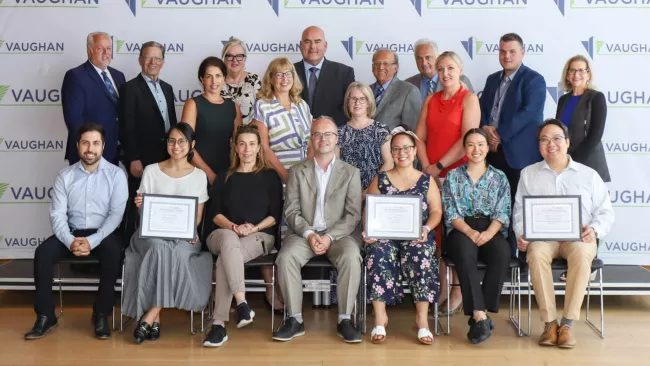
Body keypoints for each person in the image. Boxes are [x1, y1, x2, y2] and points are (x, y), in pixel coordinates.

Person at [514, 119, 614, 349]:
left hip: (579, 238)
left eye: (557, 138)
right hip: (544, 239)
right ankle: (550, 324)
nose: (551, 144)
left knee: (581, 253)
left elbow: (606, 212)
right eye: (544, 139)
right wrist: (522, 233)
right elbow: (519, 211)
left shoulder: (589, 175)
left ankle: (567, 324)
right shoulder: (528, 174)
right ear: (539, 146)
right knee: (536, 252)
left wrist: (594, 229)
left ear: (567, 143)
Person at [24, 123, 128, 340]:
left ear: (104, 146)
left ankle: (101, 314)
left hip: (104, 233)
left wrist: (93, 240)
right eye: (86, 143)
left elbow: (116, 217)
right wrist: (71, 241)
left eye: (96, 143)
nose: (90, 148)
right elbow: (57, 216)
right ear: (78, 145)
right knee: (43, 253)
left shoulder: (117, 175)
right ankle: (45, 316)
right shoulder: (65, 175)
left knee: (113, 253)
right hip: (70, 233)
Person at [273, 118, 363, 343]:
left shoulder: (351, 172)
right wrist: (310, 234)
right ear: (311, 139)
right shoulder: (296, 171)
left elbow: (353, 215)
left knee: (352, 256)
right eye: (317, 134)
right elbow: (292, 211)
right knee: (285, 257)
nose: (323, 139)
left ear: (336, 139)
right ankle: (294, 319)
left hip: (338, 235)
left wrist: (329, 237)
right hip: (304, 234)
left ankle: (344, 319)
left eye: (328, 134)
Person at [122, 122, 213, 344]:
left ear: (192, 144)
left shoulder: (199, 176)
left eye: (182, 141)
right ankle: (155, 315)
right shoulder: (151, 171)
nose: (176, 145)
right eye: (172, 140)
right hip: (150, 234)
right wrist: (142, 205)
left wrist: (190, 230)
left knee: (172, 251)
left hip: (185, 236)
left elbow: (198, 216)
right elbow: (145, 213)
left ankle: (151, 315)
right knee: (159, 247)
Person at [202, 124, 283, 347]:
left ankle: (218, 325)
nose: (247, 149)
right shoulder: (223, 177)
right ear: (235, 148)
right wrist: (234, 227)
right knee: (229, 241)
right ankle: (241, 301)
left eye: (252, 144)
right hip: (222, 232)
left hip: (259, 236)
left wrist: (252, 228)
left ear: (259, 148)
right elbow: (215, 214)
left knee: (226, 258)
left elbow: (275, 215)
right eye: (242, 144)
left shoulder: (270, 177)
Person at [414, 51, 480, 316]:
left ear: (461, 68)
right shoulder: (430, 99)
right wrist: (428, 169)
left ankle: (457, 291)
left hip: (457, 174)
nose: (445, 74)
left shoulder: (470, 99)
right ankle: (440, 289)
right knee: (436, 234)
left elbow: (468, 138)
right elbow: (418, 137)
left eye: (450, 68)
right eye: (440, 69)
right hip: (431, 174)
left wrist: (440, 167)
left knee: (456, 230)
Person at [363, 128, 442, 345]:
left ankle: (422, 320)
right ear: (391, 153)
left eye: (406, 148)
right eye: (396, 149)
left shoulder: (426, 181)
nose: (402, 153)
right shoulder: (380, 179)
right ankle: (380, 318)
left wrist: (426, 228)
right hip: (385, 236)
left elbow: (436, 212)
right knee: (377, 251)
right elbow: (369, 210)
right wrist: (369, 231)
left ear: (415, 151)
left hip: (417, 235)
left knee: (422, 254)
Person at [479, 33, 546, 256]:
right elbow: (482, 111)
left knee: (522, 210)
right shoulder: (491, 79)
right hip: (492, 154)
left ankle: (527, 262)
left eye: (512, 52)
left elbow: (530, 114)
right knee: (497, 208)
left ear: (522, 53)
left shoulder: (534, 80)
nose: (506, 56)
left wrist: (500, 134)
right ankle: (502, 259)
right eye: (502, 51)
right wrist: (486, 128)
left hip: (520, 156)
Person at [442, 128, 512, 344]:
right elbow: (450, 211)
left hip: (491, 227)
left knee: (502, 253)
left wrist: (489, 232)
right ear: (465, 149)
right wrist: (470, 231)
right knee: (464, 254)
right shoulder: (453, 177)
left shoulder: (499, 176)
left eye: (481, 144)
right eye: (471, 144)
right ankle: (480, 315)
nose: (476, 149)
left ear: (488, 147)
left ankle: (480, 314)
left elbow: (503, 211)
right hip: (462, 228)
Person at [119, 41, 178, 239]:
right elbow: (127, 127)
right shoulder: (130, 88)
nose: (153, 62)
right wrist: (133, 158)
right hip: (141, 161)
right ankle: (132, 252)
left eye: (157, 58)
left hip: (167, 159)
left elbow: (172, 124)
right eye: (148, 57)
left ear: (163, 62)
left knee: (163, 207)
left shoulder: (168, 88)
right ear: (140, 60)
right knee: (138, 209)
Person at [61, 32, 126, 165]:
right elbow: (74, 120)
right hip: (89, 154)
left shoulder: (118, 76)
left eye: (108, 48)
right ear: (89, 51)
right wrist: (89, 150)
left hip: (114, 152)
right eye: (100, 48)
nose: (106, 52)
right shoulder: (76, 76)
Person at [181, 56, 243, 185]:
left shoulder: (233, 107)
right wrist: (209, 174)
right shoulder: (193, 104)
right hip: (197, 173)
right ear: (202, 79)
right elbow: (186, 144)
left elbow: (238, 144)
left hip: (226, 173)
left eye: (218, 76)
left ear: (224, 78)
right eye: (209, 76)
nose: (214, 81)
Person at [555, 55, 609, 182]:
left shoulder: (596, 98)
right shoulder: (563, 100)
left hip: (589, 161)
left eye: (581, 70)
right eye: (572, 70)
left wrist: (574, 160)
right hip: (565, 162)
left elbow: (596, 134)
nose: (576, 74)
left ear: (588, 74)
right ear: (567, 75)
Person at [294, 25, 355, 127]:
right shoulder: (288, 72)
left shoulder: (344, 73)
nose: (312, 46)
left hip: (331, 135)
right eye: (307, 42)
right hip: (295, 135)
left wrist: (324, 124)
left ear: (325, 45)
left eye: (317, 41)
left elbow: (349, 108)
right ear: (300, 45)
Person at [337, 82, 392, 193]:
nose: (357, 103)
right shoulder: (339, 132)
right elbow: (336, 166)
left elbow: (389, 162)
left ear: (368, 103)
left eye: (362, 99)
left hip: (376, 190)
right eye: (354, 99)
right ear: (348, 102)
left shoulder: (381, 130)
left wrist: (370, 190)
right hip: (347, 192)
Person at [369, 48, 422, 131]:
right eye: (377, 63)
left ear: (396, 68)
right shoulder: (366, 91)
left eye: (386, 63)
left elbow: (411, 131)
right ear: (372, 67)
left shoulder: (409, 91)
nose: (381, 67)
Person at [405, 39, 474, 101]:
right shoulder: (408, 84)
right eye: (419, 58)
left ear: (437, 57)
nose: (424, 63)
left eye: (428, 57)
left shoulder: (461, 80)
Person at [221, 37, 262, 124]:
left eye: (239, 56)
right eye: (230, 56)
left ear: (244, 59)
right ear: (224, 58)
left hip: (249, 134)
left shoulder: (254, 80)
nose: (234, 60)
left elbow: (261, 113)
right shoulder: (216, 81)